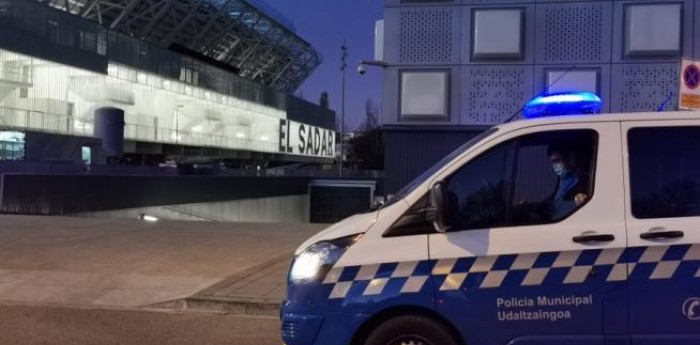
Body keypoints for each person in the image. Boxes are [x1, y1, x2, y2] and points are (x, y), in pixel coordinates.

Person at [547, 143, 590, 218]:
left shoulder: (584, 181)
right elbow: (554, 200)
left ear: (570, 157)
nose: (555, 165)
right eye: (553, 162)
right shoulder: (565, 178)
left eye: (557, 160)